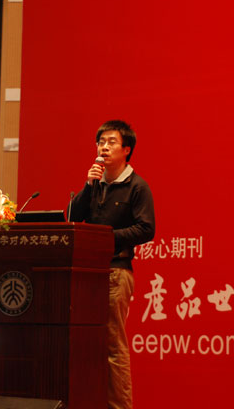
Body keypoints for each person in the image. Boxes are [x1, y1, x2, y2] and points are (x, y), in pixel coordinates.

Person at [69, 120, 155, 409]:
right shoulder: (95, 183)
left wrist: (105, 238)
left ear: (126, 149)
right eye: (100, 142)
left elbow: (146, 229)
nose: (104, 147)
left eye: (111, 142)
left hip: (116, 271)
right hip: (87, 274)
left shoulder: (137, 186)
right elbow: (72, 217)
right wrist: (87, 185)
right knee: (86, 345)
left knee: (112, 346)